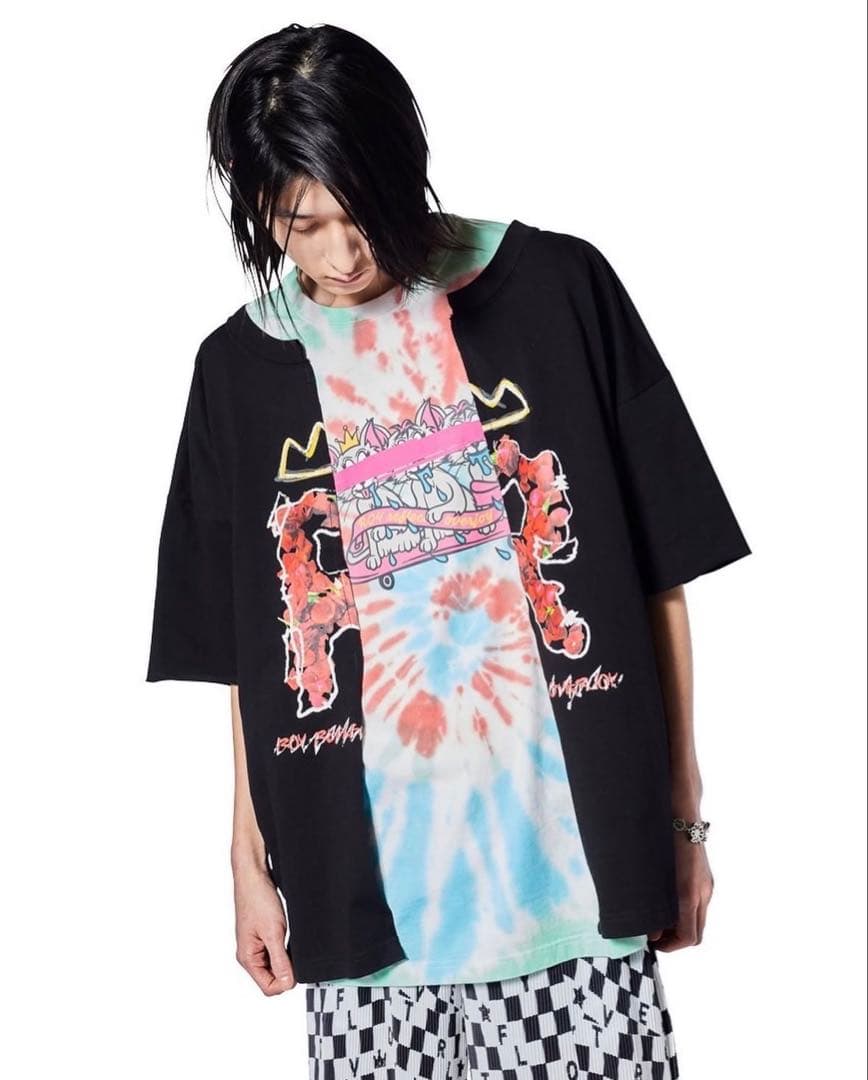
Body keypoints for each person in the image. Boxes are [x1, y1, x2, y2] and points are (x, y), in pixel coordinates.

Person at [146, 21, 752, 1079]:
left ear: (403, 166)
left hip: (573, 888)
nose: (339, 256)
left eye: (357, 212)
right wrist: (246, 859)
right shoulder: (242, 370)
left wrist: (683, 821)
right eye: (299, 225)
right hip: (366, 912)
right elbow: (259, 649)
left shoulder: (554, 287)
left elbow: (657, 576)